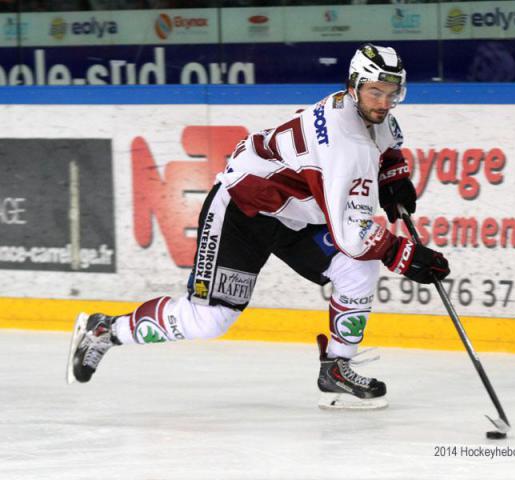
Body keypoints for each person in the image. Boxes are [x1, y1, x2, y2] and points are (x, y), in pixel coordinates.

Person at [66, 43, 450, 410]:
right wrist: (405, 256)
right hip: (243, 211)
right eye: (374, 92)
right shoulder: (343, 141)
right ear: (353, 87)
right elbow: (354, 232)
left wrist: (392, 177)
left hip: (293, 214)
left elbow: (386, 145)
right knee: (210, 319)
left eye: (391, 93)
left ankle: (335, 370)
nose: (383, 103)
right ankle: (105, 330)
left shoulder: (366, 115)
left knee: (358, 268)